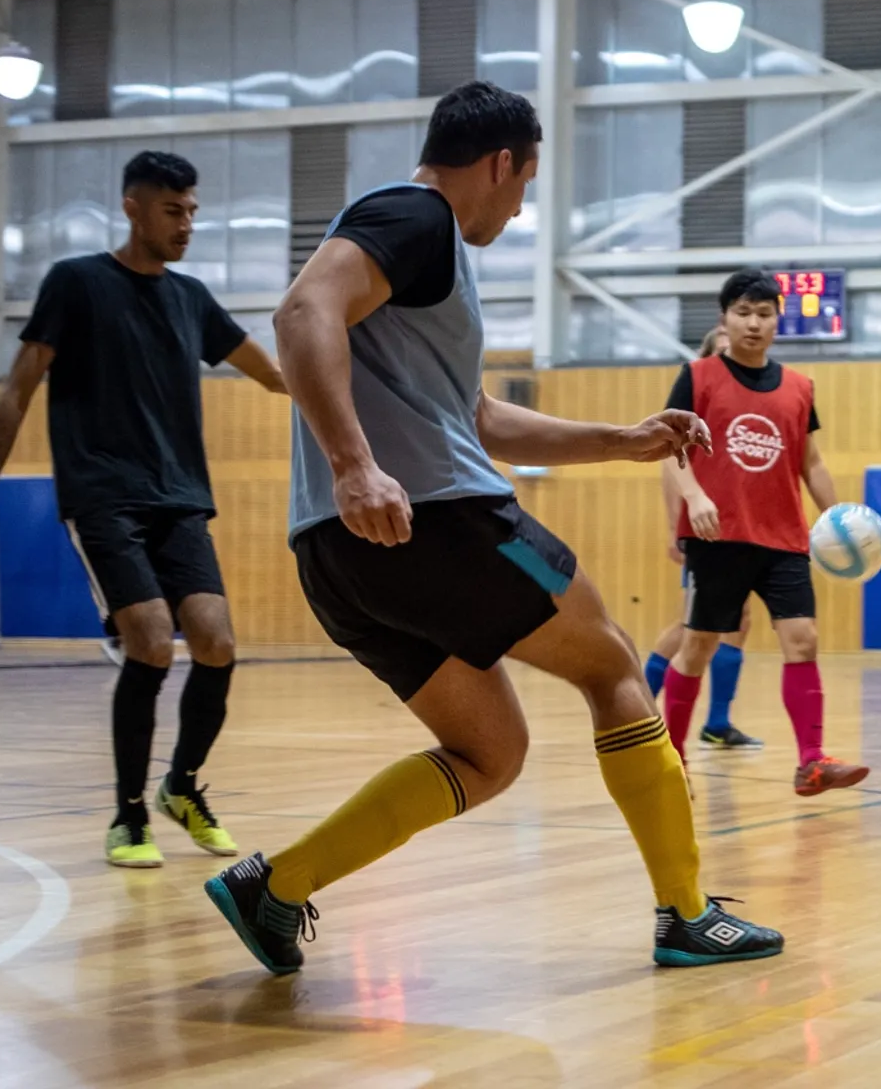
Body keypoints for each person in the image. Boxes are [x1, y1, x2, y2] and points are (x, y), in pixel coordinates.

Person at [202, 80, 783, 975]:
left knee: (490, 751)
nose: (519, 208)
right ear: (501, 162)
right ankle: (687, 912)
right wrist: (356, 462)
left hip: (339, 553)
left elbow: (470, 418)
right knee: (615, 665)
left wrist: (621, 442)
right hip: (440, 521)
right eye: (525, 185)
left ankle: (274, 887)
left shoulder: (424, 266)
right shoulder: (417, 216)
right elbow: (299, 314)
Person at [0, 150, 289, 868]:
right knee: (153, 640)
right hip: (102, 497)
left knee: (217, 642)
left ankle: (182, 787)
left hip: (181, 499)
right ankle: (129, 816)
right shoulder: (76, 283)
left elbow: (274, 373)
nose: (187, 223)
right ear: (133, 206)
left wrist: (356, 381)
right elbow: (15, 395)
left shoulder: (191, 298)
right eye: (173, 210)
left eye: (193, 211)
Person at [660, 269, 868, 796]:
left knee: (804, 641)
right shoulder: (698, 375)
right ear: (725, 319)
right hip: (717, 539)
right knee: (698, 646)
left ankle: (812, 762)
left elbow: (811, 462)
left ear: (779, 320)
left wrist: (837, 516)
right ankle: (672, 759)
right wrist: (695, 497)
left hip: (784, 540)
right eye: (743, 313)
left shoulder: (799, 388)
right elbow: (670, 447)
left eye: (764, 313)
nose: (754, 323)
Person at [643, 327, 758, 749]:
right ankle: (638, 703)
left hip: (739, 531)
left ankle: (718, 722)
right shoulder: (696, 405)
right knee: (693, 626)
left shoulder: (744, 408)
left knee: (738, 621)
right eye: (724, 351)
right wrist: (679, 529)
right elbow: (671, 469)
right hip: (705, 533)